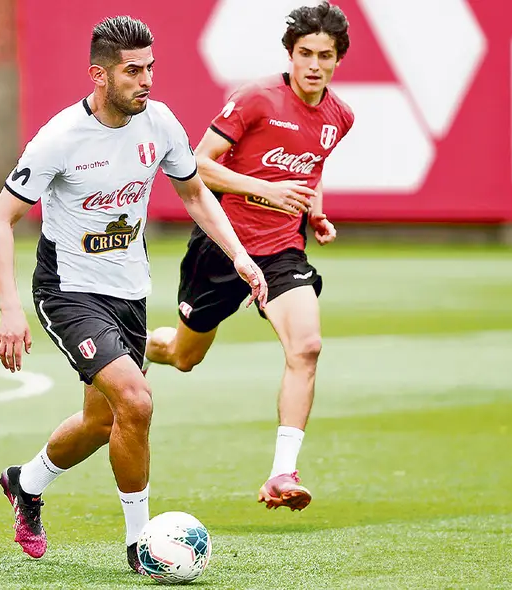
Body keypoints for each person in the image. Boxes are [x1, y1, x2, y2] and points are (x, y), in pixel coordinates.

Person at [0, 16, 267, 572]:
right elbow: (0, 221)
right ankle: (141, 547)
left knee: (103, 422)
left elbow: (195, 195)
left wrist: (239, 253)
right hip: (69, 291)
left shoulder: (159, 122)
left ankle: (26, 483)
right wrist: (10, 308)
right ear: (99, 75)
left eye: (150, 68)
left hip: (129, 292)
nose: (146, 81)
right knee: (136, 400)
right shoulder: (59, 139)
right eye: (132, 71)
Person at [144, 2, 354, 512]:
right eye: (305, 53)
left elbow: (311, 170)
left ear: (337, 60)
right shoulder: (257, 98)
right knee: (183, 357)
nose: (314, 64)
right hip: (222, 246)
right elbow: (195, 165)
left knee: (307, 347)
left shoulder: (340, 116)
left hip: (282, 248)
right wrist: (265, 190)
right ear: (290, 53)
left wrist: (315, 212)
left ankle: (283, 472)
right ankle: (125, 345)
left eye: (325, 55)